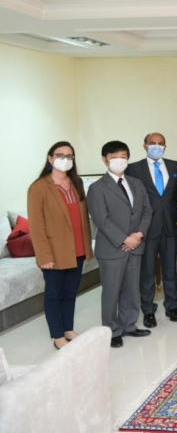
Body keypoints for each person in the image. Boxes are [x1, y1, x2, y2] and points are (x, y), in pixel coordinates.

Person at [27, 142, 94, 350]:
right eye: (60, 155)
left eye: (69, 156)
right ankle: (57, 335)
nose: (65, 159)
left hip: (78, 248)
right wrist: (44, 256)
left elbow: (83, 218)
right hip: (55, 252)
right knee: (54, 294)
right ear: (50, 158)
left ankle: (68, 329)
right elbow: (36, 226)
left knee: (70, 292)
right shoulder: (39, 187)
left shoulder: (76, 183)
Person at [86, 141, 153, 348]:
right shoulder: (97, 188)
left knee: (132, 289)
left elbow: (146, 211)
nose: (119, 161)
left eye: (123, 157)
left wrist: (139, 235)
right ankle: (112, 330)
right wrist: (125, 239)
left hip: (135, 245)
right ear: (104, 160)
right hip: (112, 248)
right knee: (111, 291)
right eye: (114, 157)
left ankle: (129, 325)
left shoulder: (136, 183)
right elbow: (102, 219)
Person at [126, 133, 177, 328]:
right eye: (152, 143)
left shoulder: (176, 166)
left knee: (170, 269)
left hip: (170, 225)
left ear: (165, 146)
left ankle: (172, 306)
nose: (156, 146)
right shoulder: (133, 168)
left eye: (160, 144)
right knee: (147, 271)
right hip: (146, 228)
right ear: (144, 146)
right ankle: (148, 310)